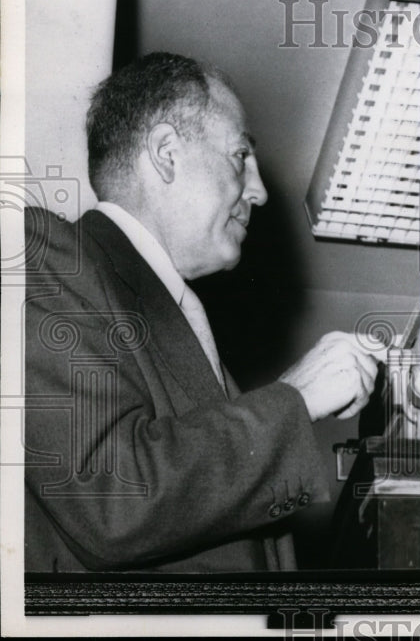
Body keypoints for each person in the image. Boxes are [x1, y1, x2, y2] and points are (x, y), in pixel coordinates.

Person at [24, 53, 384, 572]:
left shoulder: (191, 341)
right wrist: (297, 398)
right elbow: (113, 497)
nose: (259, 191)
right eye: (240, 155)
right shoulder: (48, 256)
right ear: (167, 154)